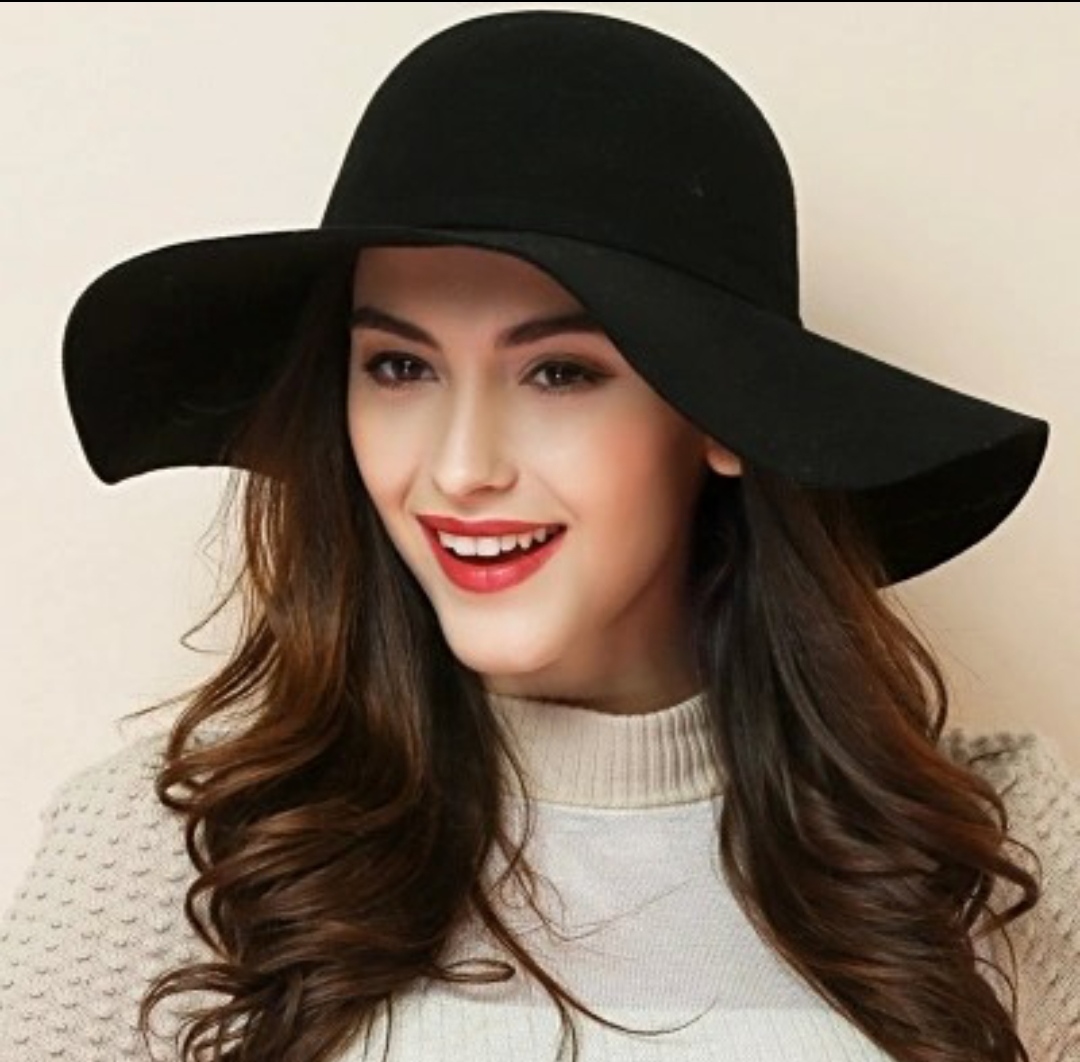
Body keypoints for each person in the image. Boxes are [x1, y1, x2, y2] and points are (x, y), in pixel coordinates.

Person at [1, 8, 1077, 1062]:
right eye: (399, 367)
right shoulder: (186, 854)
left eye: (559, 373)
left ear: (720, 414)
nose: (462, 466)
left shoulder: (991, 847)